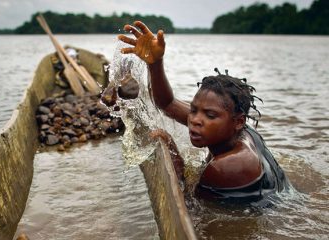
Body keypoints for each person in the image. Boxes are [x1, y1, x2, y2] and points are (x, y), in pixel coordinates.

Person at [118, 21, 289, 201]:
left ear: (239, 121)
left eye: (210, 115)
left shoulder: (230, 165)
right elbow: (168, 103)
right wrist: (155, 63)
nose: (195, 120)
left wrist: (172, 153)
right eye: (193, 110)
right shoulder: (230, 128)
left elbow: (192, 204)